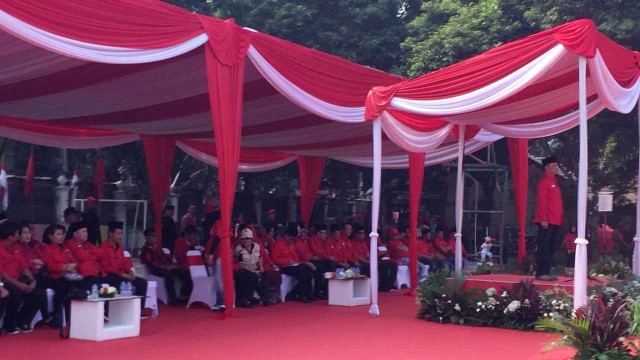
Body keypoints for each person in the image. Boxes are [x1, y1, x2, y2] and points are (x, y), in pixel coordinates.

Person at [0, 221, 46, 334]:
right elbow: (2, 274)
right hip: (5, 281)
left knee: (38, 292)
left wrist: (32, 280)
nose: (18, 236)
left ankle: (22, 321)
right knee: (15, 292)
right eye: (17, 233)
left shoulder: (17, 248)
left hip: (17, 279)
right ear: (10, 236)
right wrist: (20, 285)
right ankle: (9, 325)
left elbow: (24, 266)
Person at [99, 221, 148, 317]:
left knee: (142, 283)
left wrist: (130, 272)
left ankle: (138, 310)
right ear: (110, 234)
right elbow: (107, 267)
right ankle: (108, 310)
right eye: (118, 233)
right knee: (121, 284)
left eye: (121, 233)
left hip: (121, 274)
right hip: (107, 275)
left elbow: (124, 263)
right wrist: (123, 274)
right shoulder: (103, 247)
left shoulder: (120, 248)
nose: (120, 236)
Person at [16, 221, 55, 327]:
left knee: (43, 288)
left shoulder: (33, 246)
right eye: (24, 233)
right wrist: (34, 263)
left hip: (37, 276)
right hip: (23, 277)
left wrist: (36, 263)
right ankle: (25, 320)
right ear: (17, 235)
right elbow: (24, 264)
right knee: (38, 293)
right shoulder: (17, 248)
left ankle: (26, 320)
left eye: (29, 232)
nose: (28, 235)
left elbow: (44, 260)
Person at [41, 224, 78, 328]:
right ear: (51, 236)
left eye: (62, 234)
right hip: (52, 277)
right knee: (62, 286)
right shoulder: (46, 248)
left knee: (76, 285)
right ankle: (57, 315)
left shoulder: (65, 248)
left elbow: (74, 262)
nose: (61, 237)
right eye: (58, 234)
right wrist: (66, 267)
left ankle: (71, 315)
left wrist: (71, 268)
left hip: (67, 276)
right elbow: (51, 266)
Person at [533, 156, 563, 281]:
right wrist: (544, 218)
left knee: (552, 246)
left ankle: (547, 270)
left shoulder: (554, 182)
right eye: (553, 166)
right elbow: (542, 201)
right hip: (547, 220)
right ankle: (541, 271)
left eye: (556, 166)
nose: (556, 168)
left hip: (555, 220)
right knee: (543, 246)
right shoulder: (544, 182)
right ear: (546, 168)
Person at [140, 228, 185, 306]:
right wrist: (164, 267)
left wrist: (172, 264)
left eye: (155, 236)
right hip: (155, 269)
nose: (155, 238)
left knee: (181, 272)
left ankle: (182, 295)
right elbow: (151, 263)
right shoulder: (145, 249)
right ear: (146, 237)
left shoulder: (158, 247)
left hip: (164, 267)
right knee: (169, 275)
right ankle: (172, 298)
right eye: (152, 236)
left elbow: (165, 258)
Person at [271, 223, 314, 303]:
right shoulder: (278, 243)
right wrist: (287, 261)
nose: (292, 241)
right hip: (284, 267)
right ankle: (302, 294)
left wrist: (304, 262)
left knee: (306, 269)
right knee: (303, 270)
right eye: (291, 239)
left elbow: (296, 258)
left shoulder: (292, 243)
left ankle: (306, 293)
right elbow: (274, 259)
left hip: (293, 265)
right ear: (286, 236)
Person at [233, 228, 276, 307]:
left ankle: (265, 298)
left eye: (247, 239)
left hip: (255, 268)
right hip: (245, 270)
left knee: (265, 274)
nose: (245, 241)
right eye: (243, 239)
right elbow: (240, 265)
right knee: (252, 276)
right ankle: (246, 299)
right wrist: (253, 272)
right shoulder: (238, 249)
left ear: (252, 239)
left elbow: (259, 257)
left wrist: (261, 267)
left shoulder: (257, 246)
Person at [64, 221, 104, 292]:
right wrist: (91, 255)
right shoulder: (70, 243)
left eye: (87, 231)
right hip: (82, 277)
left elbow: (101, 254)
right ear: (75, 234)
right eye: (84, 231)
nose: (86, 233)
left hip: (95, 275)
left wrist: (89, 254)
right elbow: (83, 257)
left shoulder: (87, 244)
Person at [293, 222, 329, 300]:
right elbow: (297, 256)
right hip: (299, 262)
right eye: (302, 232)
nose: (304, 234)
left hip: (308, 260)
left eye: (305, 232)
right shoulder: (296, 241)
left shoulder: (305, 241)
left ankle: (317, 291)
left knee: (324, 265)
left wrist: (310, 258)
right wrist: (308, 260)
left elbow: (309, 252)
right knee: (311, 268)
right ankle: (305, 294)